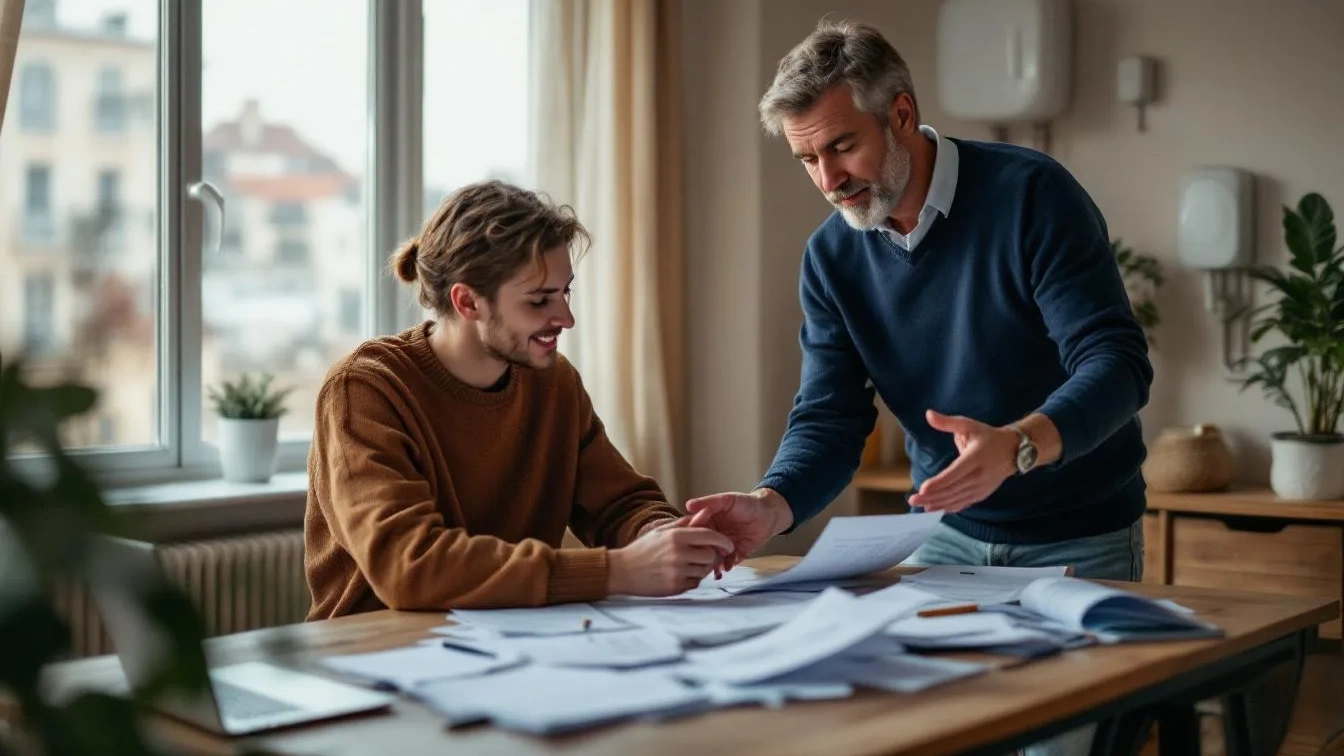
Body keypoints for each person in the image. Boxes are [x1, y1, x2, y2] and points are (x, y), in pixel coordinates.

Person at [684, 17, 1153, 756]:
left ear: (900, 113)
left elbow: (1118, 363)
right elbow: (830, 419)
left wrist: (1020, 446)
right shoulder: (832, 258)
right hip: (947, 543)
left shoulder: (1032, 195)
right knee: (913, 737)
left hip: (1081, 539)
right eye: (807, 159)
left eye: (842, 146)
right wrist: (770, 504)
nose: (829, 181)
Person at [305, 180, 732, 619]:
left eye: (564, 292)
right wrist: (616, 570)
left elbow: (619, 504)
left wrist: (666, 535)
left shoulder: (554, 383)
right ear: (468, 301)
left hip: (513, 648)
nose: (565, 318)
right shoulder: (365, 390)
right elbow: (410, 567)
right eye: (539, 300)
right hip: (376, 655)